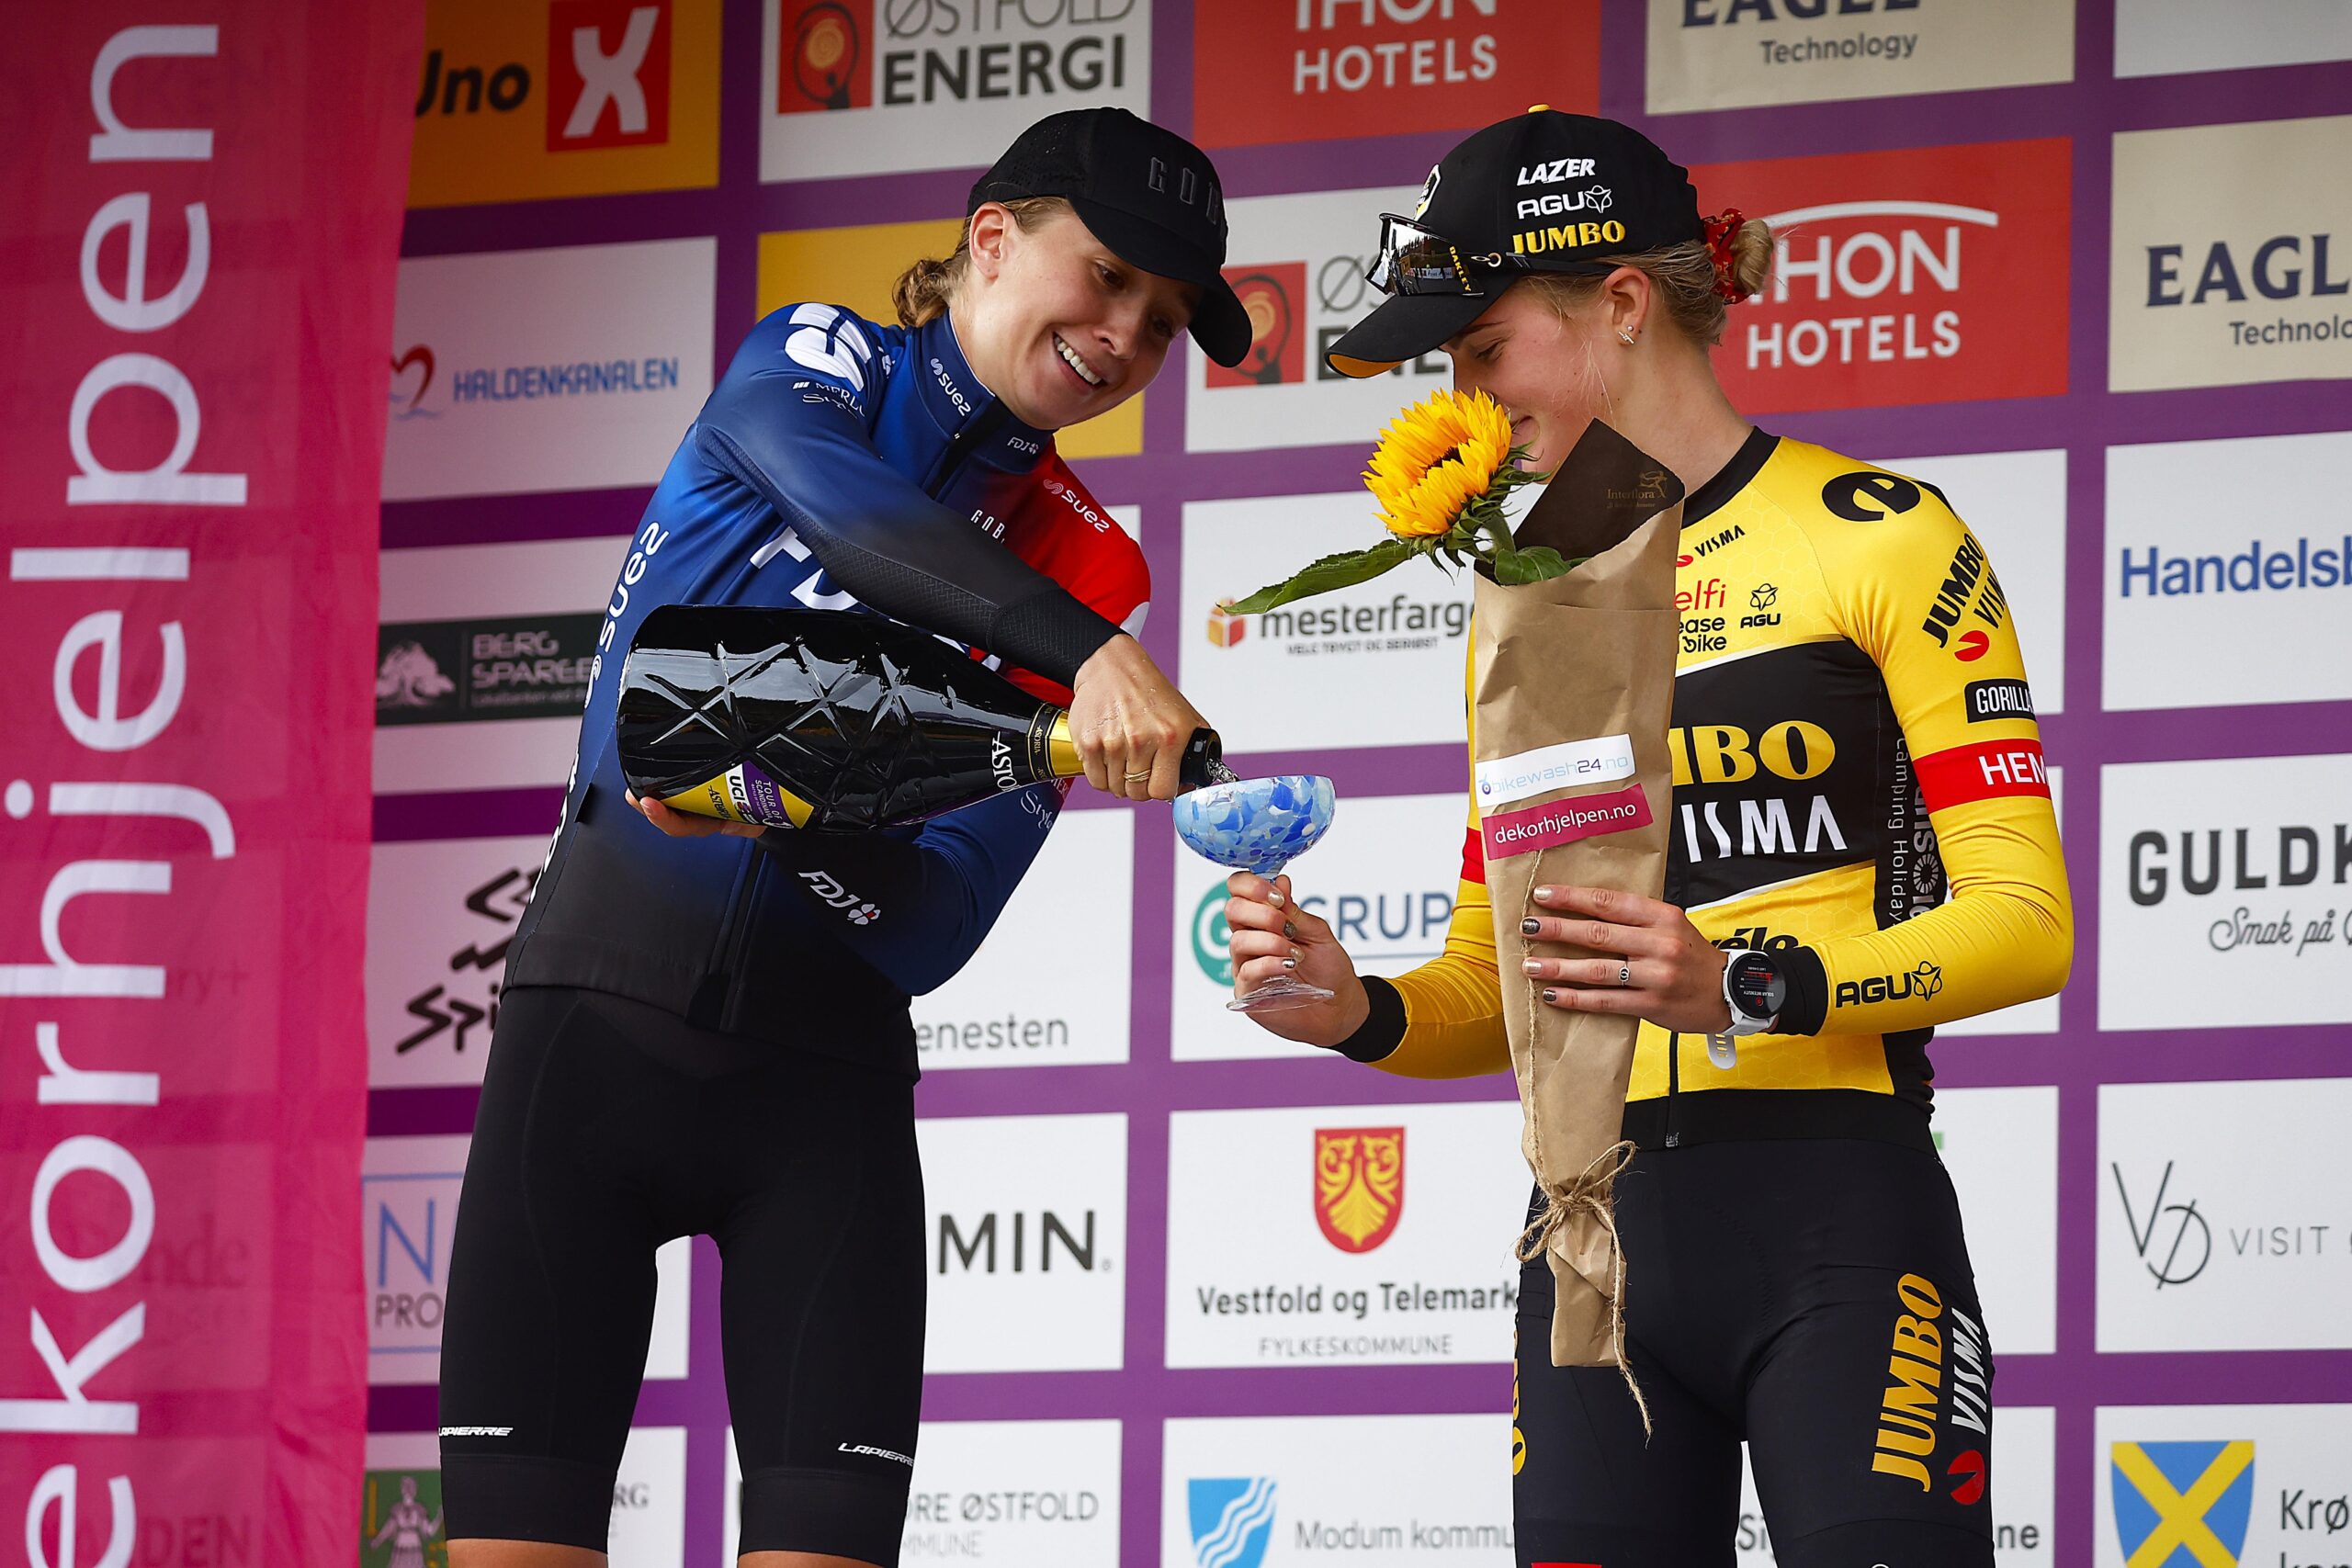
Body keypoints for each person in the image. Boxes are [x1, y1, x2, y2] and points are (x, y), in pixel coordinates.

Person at [1224, 109, 2071, 1568]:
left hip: (1840, 1224)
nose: (1470, 407)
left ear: (1621, 304)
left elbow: (2027, 918)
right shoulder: (1529, 601)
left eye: (1484, 353)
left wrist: (1745, 981)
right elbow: (1497, 992)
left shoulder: (1879, 535)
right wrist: (1354, 1009)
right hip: (1592, 1239)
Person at [435, 107, 1251, 1568]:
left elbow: (935, 925)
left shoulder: (1088, 559)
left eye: (1167, 319)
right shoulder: (815, 359)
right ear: (990, 237)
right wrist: (1081, 656)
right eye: (1111, 275)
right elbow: (856, 518)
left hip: (825, 1103)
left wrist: (789, 794)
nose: (1130, 335)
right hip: (591, 1040)